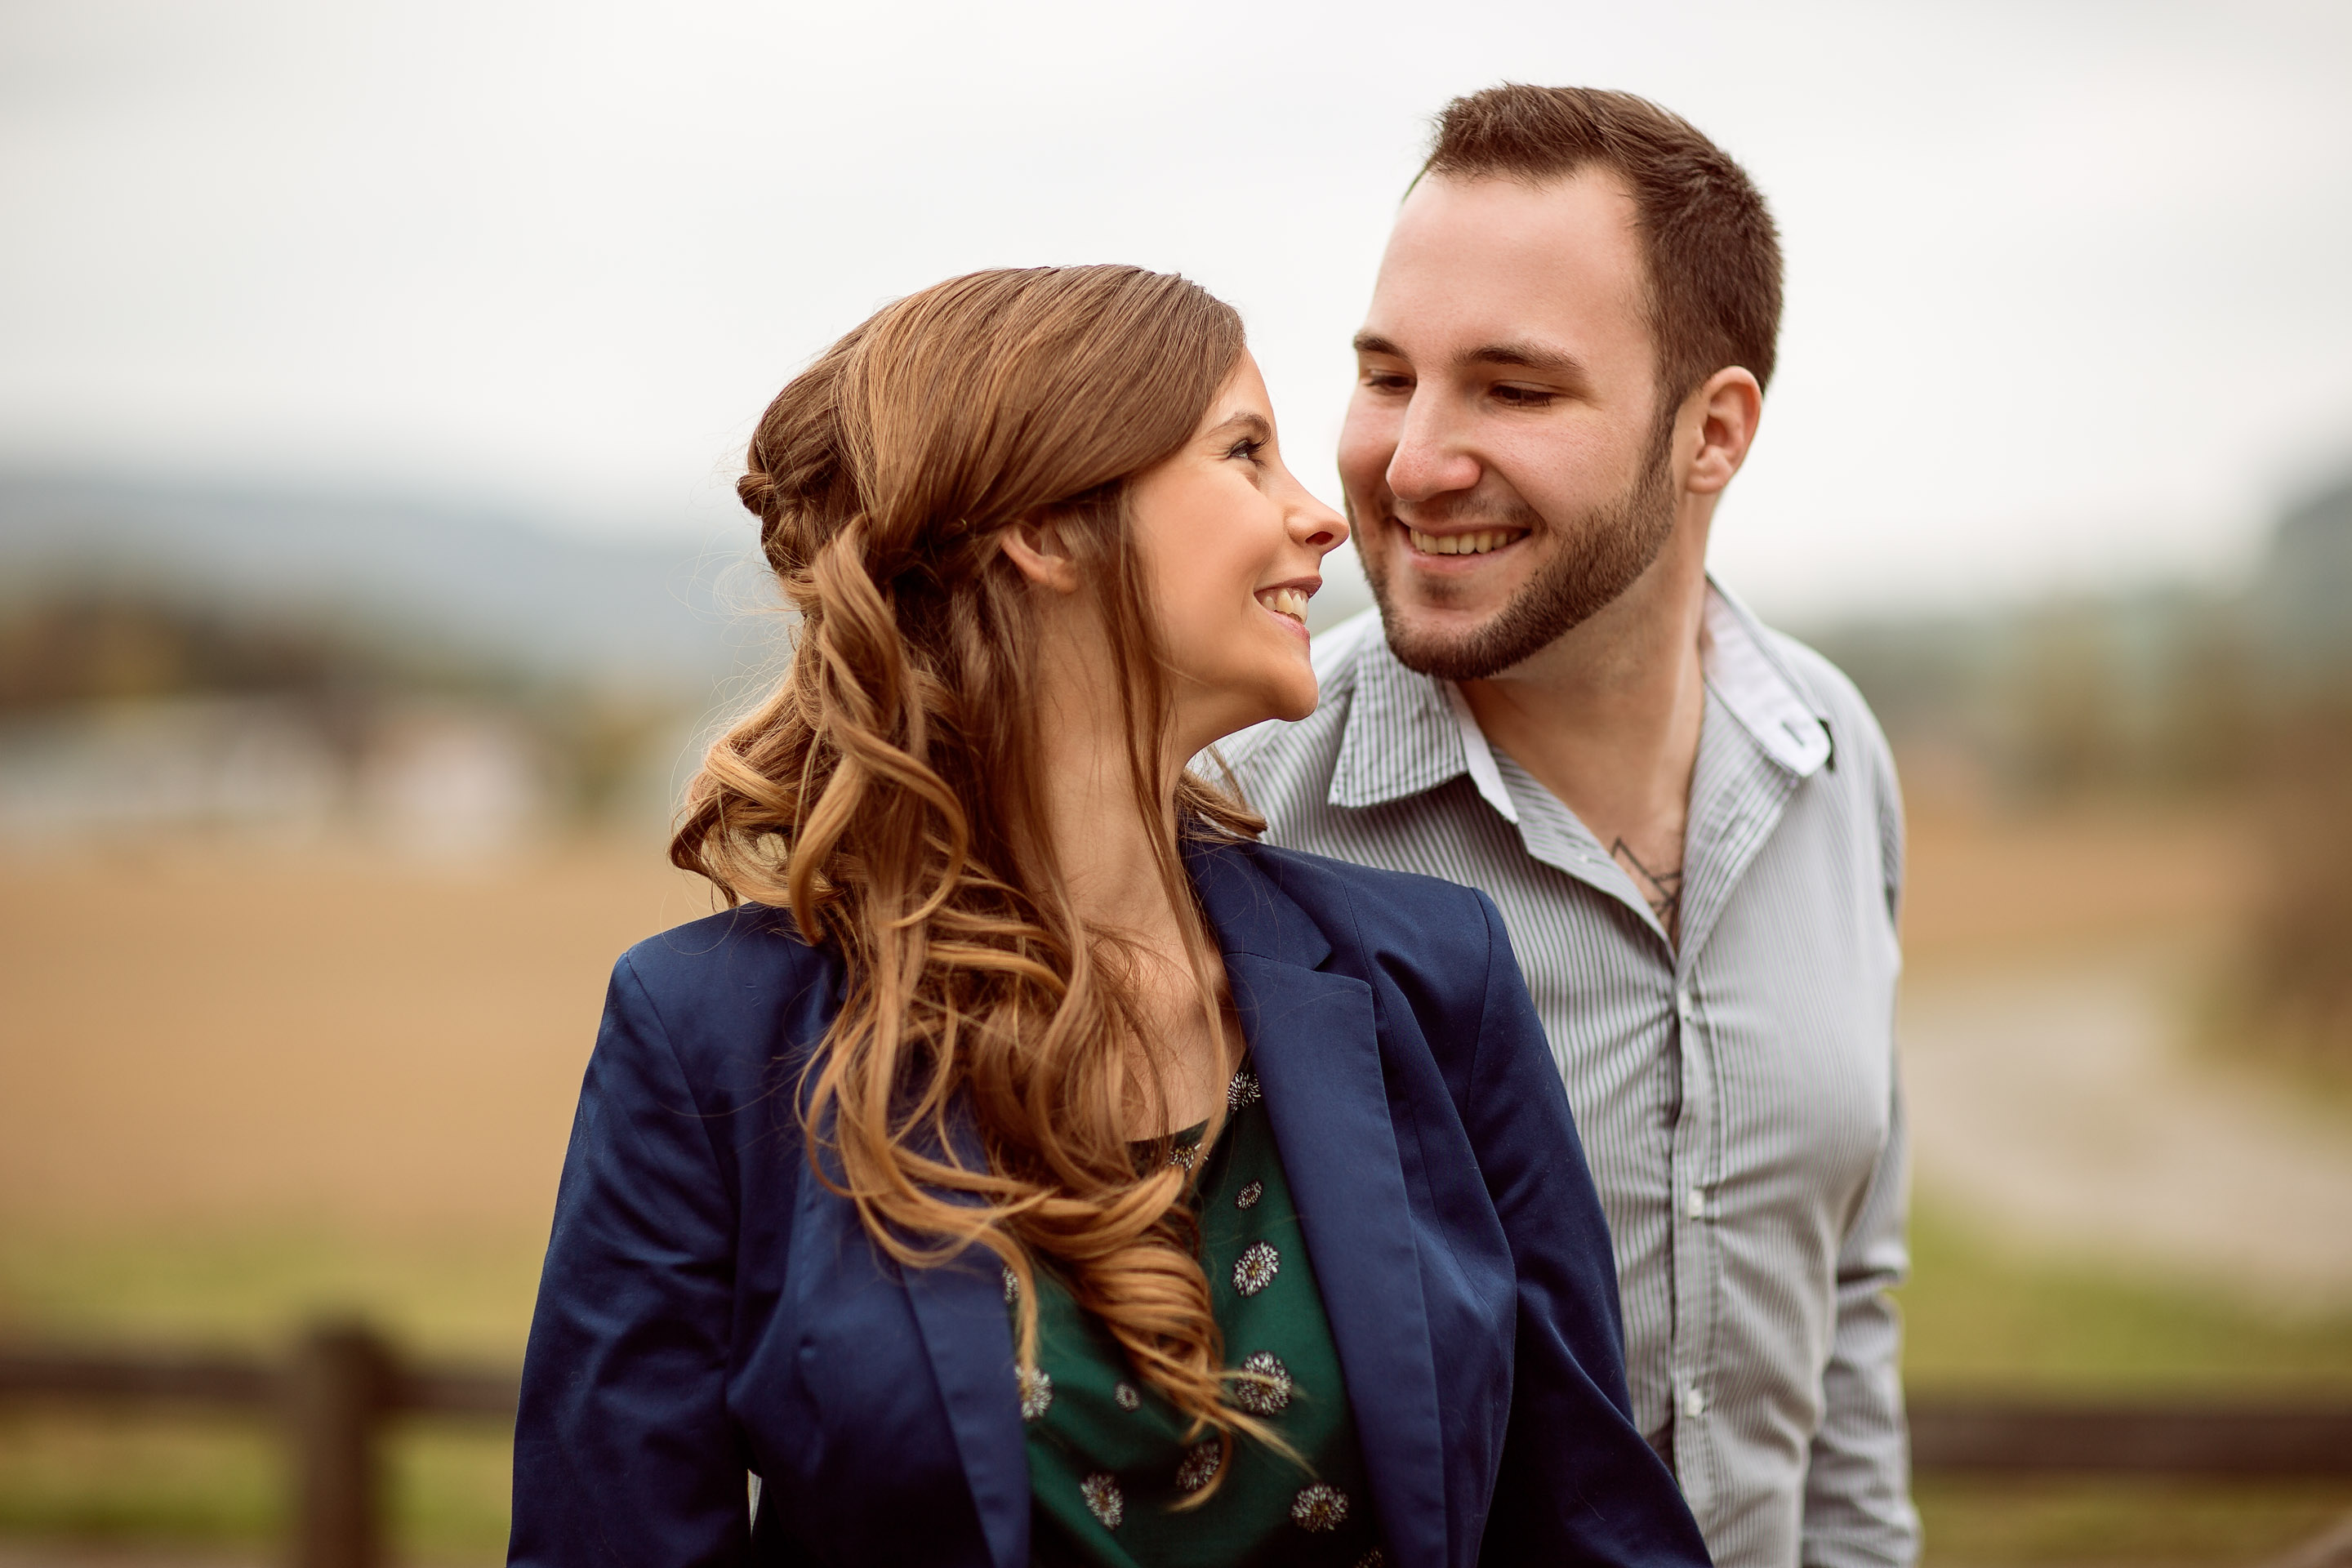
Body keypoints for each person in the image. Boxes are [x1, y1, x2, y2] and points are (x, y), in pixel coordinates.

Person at [508, 265, 1710, 1568]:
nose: (1321, 519)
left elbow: (1594, 1528)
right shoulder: (708, 1039)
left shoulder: (1433, 981)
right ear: (1047, 529)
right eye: (1245, 453)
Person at [1226, 87, 1916, 1568]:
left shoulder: (1835, 758)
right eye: (1386, 374)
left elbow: (1846, 1299)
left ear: (1710, 432)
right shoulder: (1240, 806)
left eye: (1513, 390)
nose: (1412, 464)